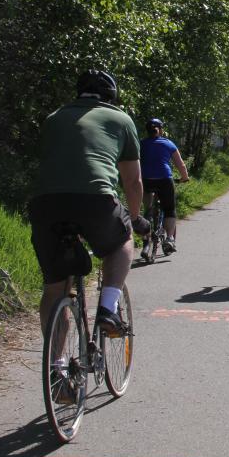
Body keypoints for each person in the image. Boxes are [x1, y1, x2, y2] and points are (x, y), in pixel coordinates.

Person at [28, 70, 150, 346]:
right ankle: (107, 309)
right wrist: (134, 217)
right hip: (96, 199)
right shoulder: (121, 119)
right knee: (123, 241)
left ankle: (57, 366)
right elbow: (133, 182)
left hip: (45, 203)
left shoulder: (54, 117)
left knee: (55, 289)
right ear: (112, 97)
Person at [140, 118, 190, 254]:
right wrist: (184, 178)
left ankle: (145, 242)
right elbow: (181, 165)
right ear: (161, 130)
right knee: (169, 209)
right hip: (164, 180)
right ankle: (169, 239)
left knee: (147, 210)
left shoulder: (141, 143)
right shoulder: (168, 143)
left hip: (146, 180)